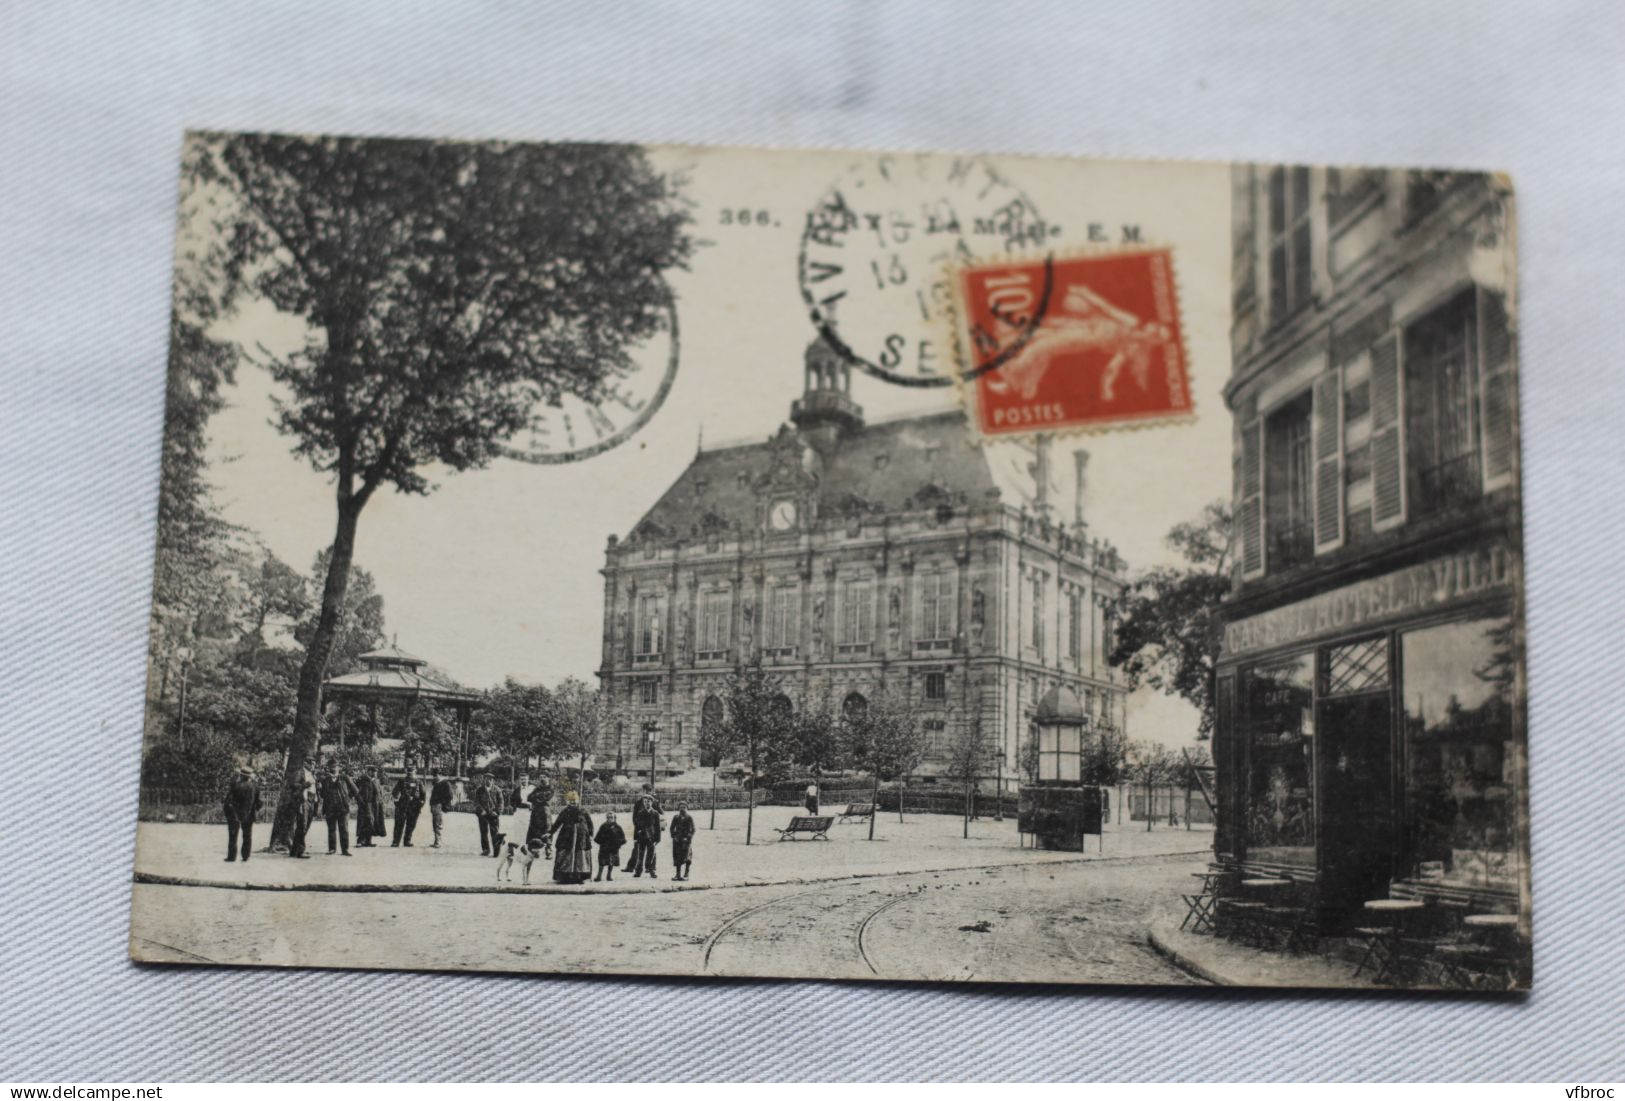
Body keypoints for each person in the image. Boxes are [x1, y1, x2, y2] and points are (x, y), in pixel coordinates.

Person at [548, 791, 594, 884]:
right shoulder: (565, 811)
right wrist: (550, 832)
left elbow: (590, 823)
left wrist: (591, 834)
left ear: (578, 800)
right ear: (568, 802)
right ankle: (565, 876)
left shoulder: (583, 811)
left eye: (575, 800)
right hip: (566, 837)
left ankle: (580, 876)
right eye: (571, 801)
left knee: (580, 856)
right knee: (565, 854)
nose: (573, 802)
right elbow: (558, 822)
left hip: (581, 838)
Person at [222, 767, 260, 862]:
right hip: (249, 815)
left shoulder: (236, 786)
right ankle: (245, 856)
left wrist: (228, 812)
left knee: (233, 836)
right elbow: (259, 802)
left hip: (235, 815)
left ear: (241, 776)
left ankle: (232, 857)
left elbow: (228, 801)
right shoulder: (255, 787)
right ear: (249, 777)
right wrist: (254, 810)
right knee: (247, 836)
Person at [320, 762, 357, 856]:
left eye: (335, 766)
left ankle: (345, 849)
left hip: (343, 808)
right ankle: (332, 849)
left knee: (344, 828)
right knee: (331, 829)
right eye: (331, 767)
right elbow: (322, 795)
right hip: (330, 808)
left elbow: (355, 790)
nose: (333, 768)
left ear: (338, 768)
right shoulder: (325, 780)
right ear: (329, 768)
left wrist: (347, 798)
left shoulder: (345, 778)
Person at [288, 756, 318, 858]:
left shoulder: (312, 774)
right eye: (311, 763)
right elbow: (293, 785)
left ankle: (294, 850)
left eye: (314, 763)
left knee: (306, 824)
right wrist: (306, 784)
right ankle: (300, 850)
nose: (313, 766)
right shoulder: (300, 773)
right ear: (306, 763)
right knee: (303, 825)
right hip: (303, 800)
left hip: (312, 800)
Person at [627, 794, 662, 878]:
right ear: (643, 803)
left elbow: (658, 827)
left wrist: (658, 839)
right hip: (642, 837)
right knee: (640, 855)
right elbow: (637, 826)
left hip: (651, 837)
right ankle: (638, 871)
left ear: (652, 802)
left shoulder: (655, 813)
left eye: (649, 802)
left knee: (651, 855)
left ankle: (651, 871)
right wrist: (635, 837)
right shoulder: (640, 813)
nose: (647, 803)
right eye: (645, 802)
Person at [391, 767, 426, 847]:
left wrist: (421, 804)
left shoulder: (419, 782)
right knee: (399, 824)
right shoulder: (401, 781)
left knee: (411, 824)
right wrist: (396, 801)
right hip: (402, 806)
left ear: (415, 772)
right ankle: (396, 842)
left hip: (414, 806)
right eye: (409, 771)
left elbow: (423, 794)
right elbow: (395, 792)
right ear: (406, 772)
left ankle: (407, 841)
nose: (410, 773)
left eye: (412, 771)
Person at [474, 772, 504, 857]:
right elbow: (476, 802)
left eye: (490, 779)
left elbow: (501, 802)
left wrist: (497, 812)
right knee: (483, 832)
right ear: (484, 780)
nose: (489, 781)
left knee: (495, 832)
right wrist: (481, 810)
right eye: (487, 778)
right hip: (483, 814)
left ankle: (496, 850)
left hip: (493, 814)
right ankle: (486, 849)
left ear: (493, 780)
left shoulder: (497, 790)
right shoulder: (479, 790)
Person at [353, 766, 383, 846]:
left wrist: (380, 801)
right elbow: (356, 792)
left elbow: (379, 792)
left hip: (375, 804)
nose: (375, 773)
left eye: (375, 771)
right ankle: (360, 841)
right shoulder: (362, 780)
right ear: (369, 771)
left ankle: (368, 841)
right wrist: (360, 802)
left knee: (372, 822)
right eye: (373, 771)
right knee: (364, 821)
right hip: (365, 804)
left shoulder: (376, 781)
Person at [594, 812, 626, 882]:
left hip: (613, 848)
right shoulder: (603, 826)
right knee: (602, 862)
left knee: (611, 862)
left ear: (614, 818)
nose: (610, 819)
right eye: (608, 817)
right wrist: (602, 842)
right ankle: (599, 876)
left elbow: (623, 838)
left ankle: (609, 875)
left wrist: (618, 844)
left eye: (611, 817)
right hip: (604, 848)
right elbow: (597, 838)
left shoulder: (618, 827)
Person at [428, 768, 455, 848]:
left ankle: (438, 841)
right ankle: (436, 840)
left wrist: (443, 804)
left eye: (436, 775)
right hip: (434, 806)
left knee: (437, 823)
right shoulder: (436, 784)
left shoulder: (445, 784)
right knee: (435, 823)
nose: (435, 777)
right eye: (434, 775)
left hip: (438, 805)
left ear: (441, 775)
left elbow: (450, 796)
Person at [669, 801, 695, 881]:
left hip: (686, 841)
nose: (682, 809)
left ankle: (686, 874)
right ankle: (678, 874)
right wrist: (674, 836)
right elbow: (671, 828)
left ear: (687, 808)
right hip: (677, 840)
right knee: (677, 857)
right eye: (681, 807)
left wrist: (687, 837)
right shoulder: (676, 817)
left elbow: (693, 829)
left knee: (687, 857)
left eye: (684, 807)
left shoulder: (689, 818)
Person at [526, 780, 552, 850]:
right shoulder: (537, 789)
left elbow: (547, 799)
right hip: (536, 810)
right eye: (541, 777)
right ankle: (535, 847)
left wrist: (537, 796)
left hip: (545, 811)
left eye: (544, 777)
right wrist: (540, 795)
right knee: (534, 828)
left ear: (548, 778)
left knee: (547, 828)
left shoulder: (551, 788)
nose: (542, 779)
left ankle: (548, 848)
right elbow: (529, 797)